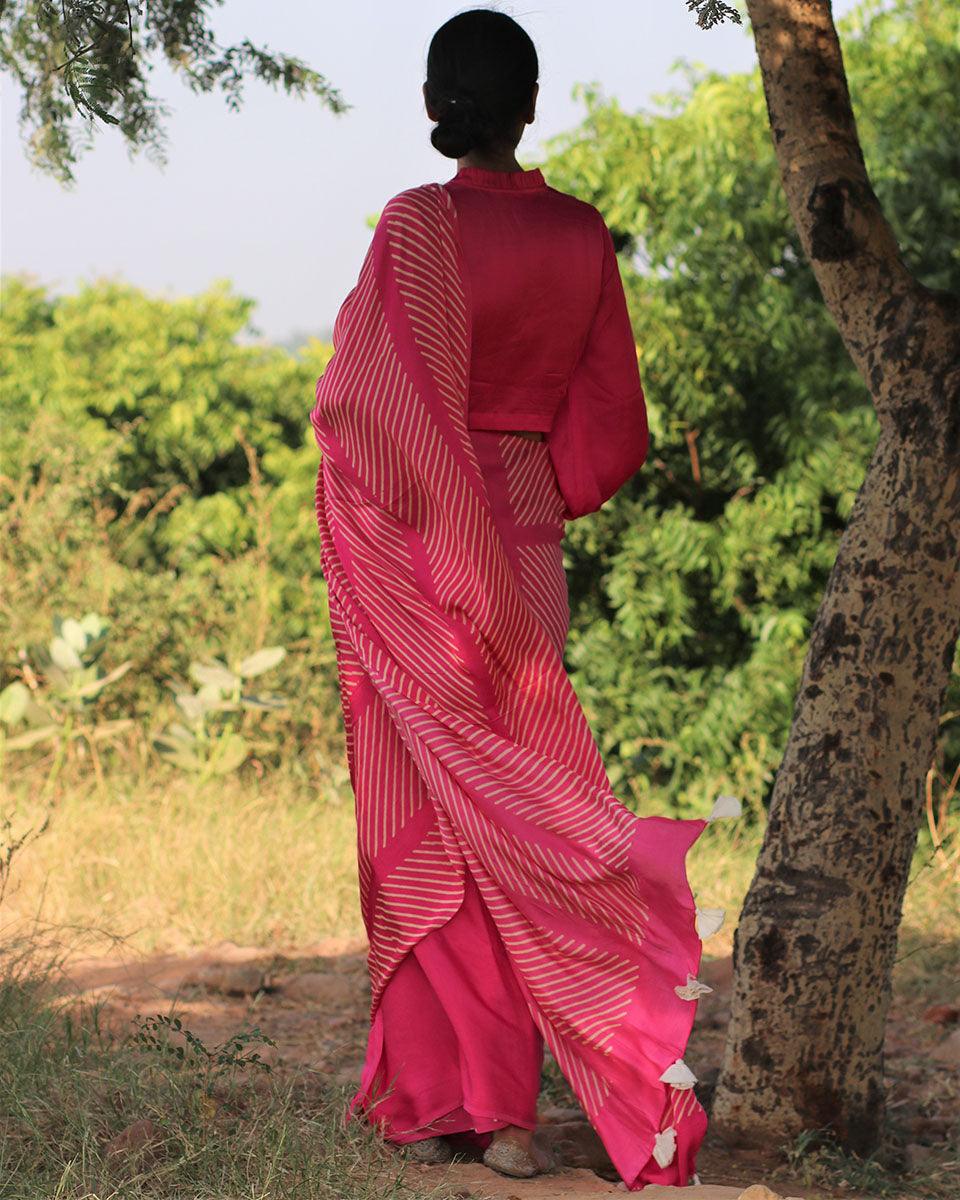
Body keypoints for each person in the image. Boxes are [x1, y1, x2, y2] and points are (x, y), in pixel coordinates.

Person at [309, 7, 736, 1191]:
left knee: (446, 823)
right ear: (531, 104)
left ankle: (485, 1108)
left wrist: (433, 505)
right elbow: (611, 432)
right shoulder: (581, 236)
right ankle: (455, 1101)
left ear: (436, 99)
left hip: (419, 559)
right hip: (521, 549)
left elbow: (361, 412)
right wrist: (521, 489)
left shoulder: (416, 228)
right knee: (520, 816)